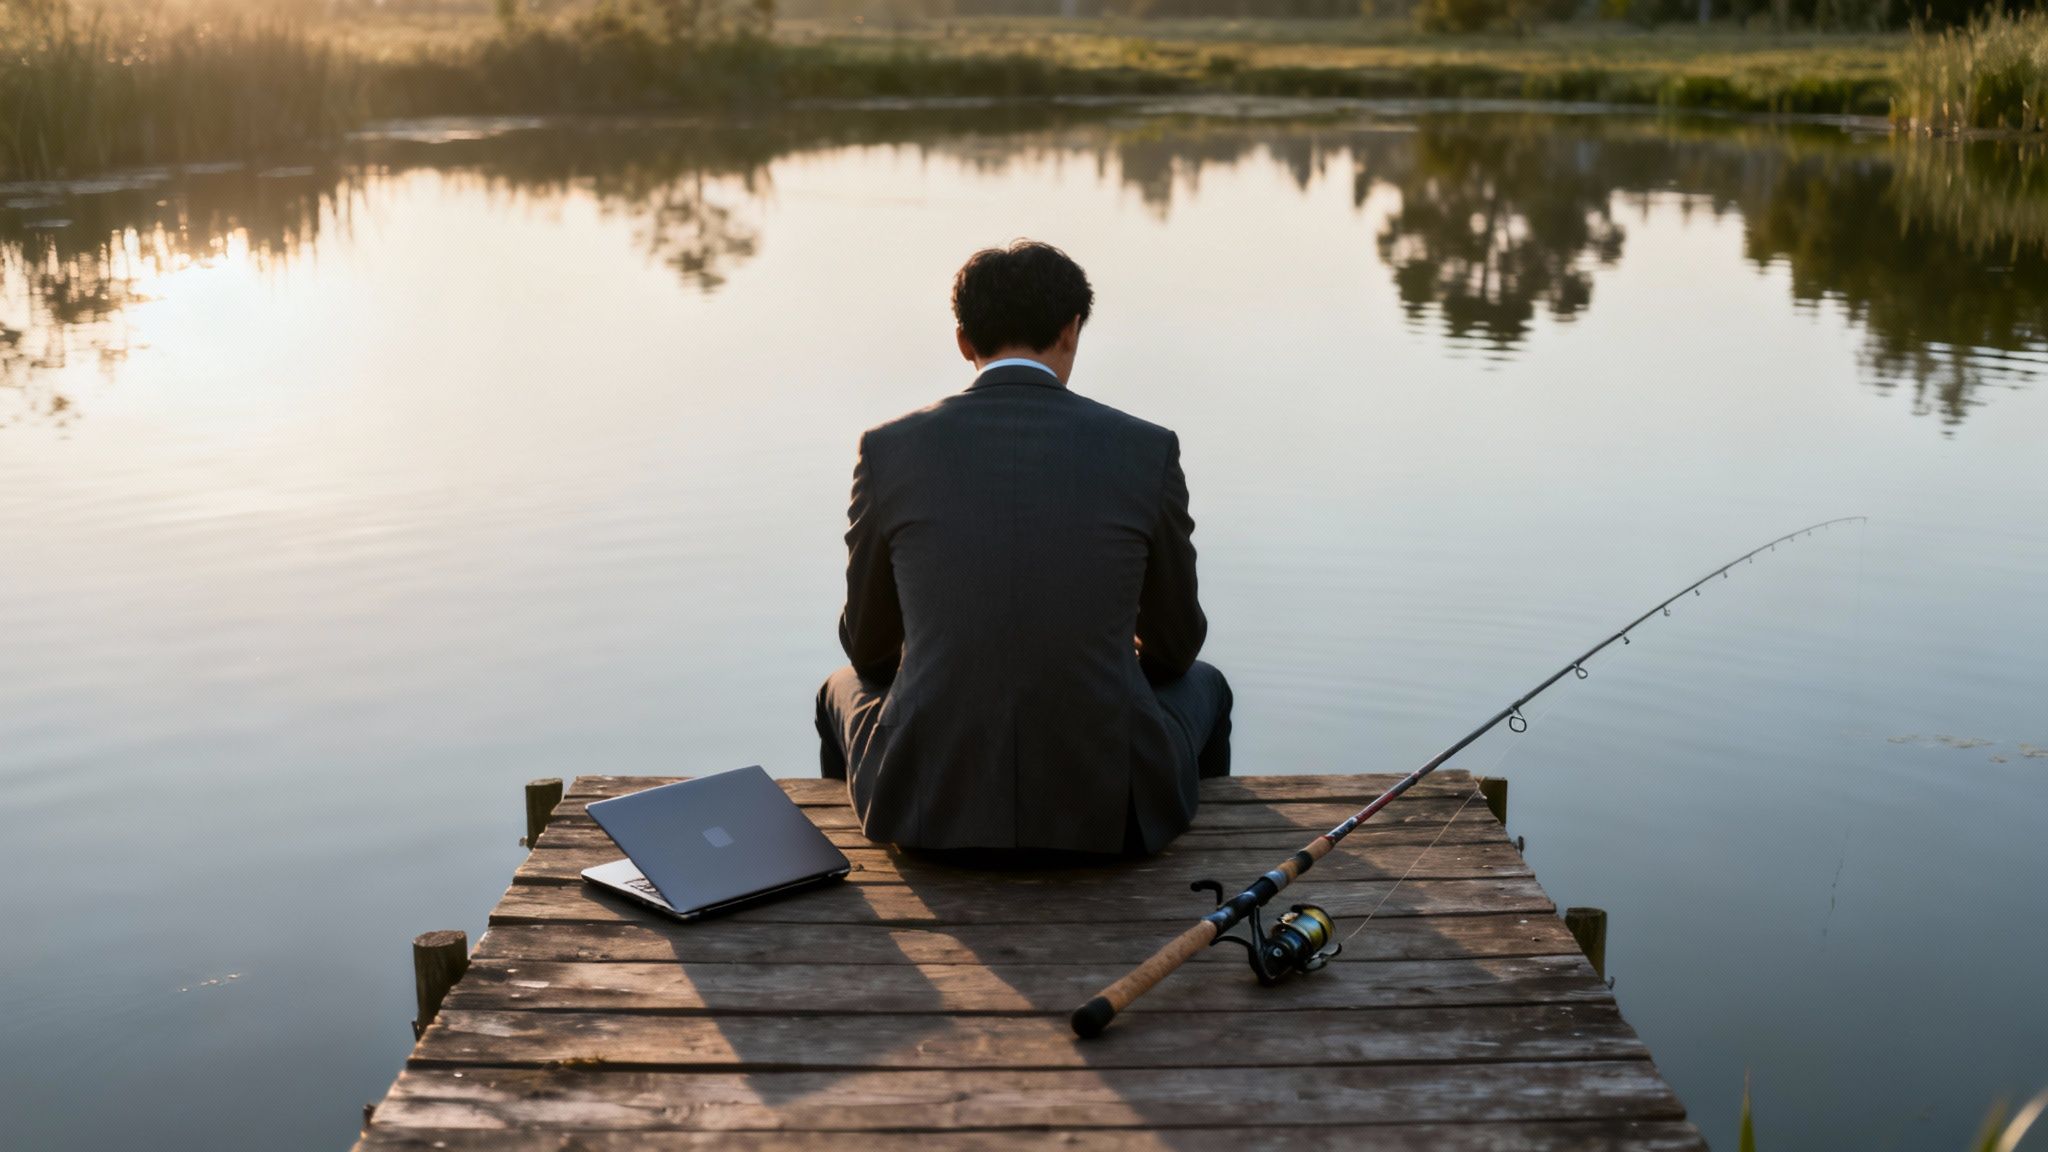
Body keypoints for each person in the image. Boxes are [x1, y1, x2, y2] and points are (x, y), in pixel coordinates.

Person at [814, 240, 1232, 856]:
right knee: (1207, 683)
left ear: (963, 340)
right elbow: (1175, 649)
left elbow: (869, 651)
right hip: (1110, 818)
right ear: (1071, 330)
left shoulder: (887, 449)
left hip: (928, 815)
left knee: (839, 684)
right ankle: (1210, 858)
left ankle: (843, 870)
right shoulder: (1147, 448)